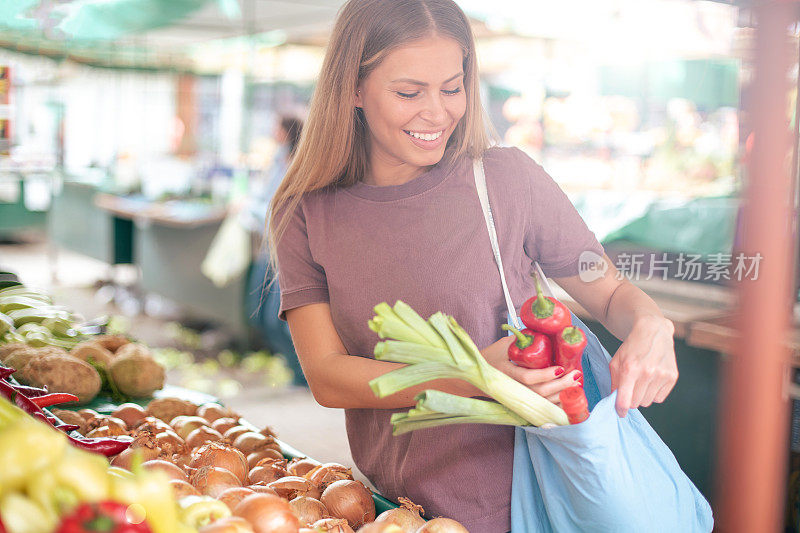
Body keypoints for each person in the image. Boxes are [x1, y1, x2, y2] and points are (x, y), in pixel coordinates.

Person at [268, 1, 678, 531]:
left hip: (528, 501)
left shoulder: (507, 181)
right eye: (409, 92)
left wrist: (650, 323)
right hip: (394, 510)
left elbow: (607, 288)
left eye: (453, 88)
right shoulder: (306, 211)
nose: (437, 113)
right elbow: (327, 377)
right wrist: (472, 377)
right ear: (352, 89)